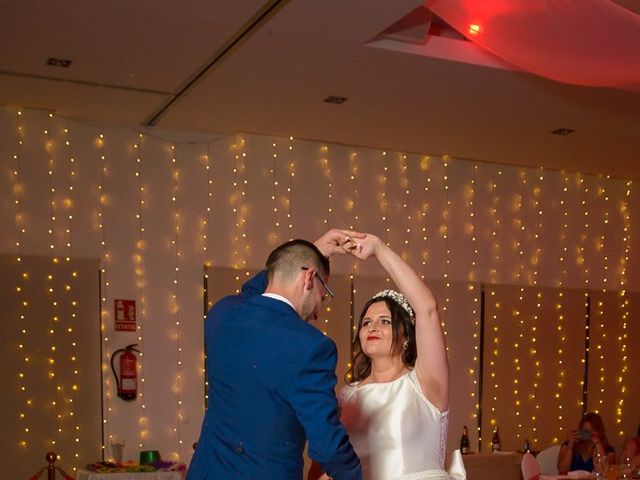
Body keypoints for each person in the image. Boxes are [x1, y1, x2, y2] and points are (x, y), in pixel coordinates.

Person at [187, 229, 364, 480]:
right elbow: (328, 446)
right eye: (323, 296)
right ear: (309, 278)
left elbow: (252, 291)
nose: (319, 311)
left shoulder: (223, 313)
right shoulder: (312, 346)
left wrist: (311, 252)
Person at [309, 233, 465, 480]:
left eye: (384, 321)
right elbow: (322, 465)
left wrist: (379, 249)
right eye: (367, 322)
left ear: (406, 336)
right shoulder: (346, 397)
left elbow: (427, 309)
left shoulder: (425, 383)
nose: (372, 327)